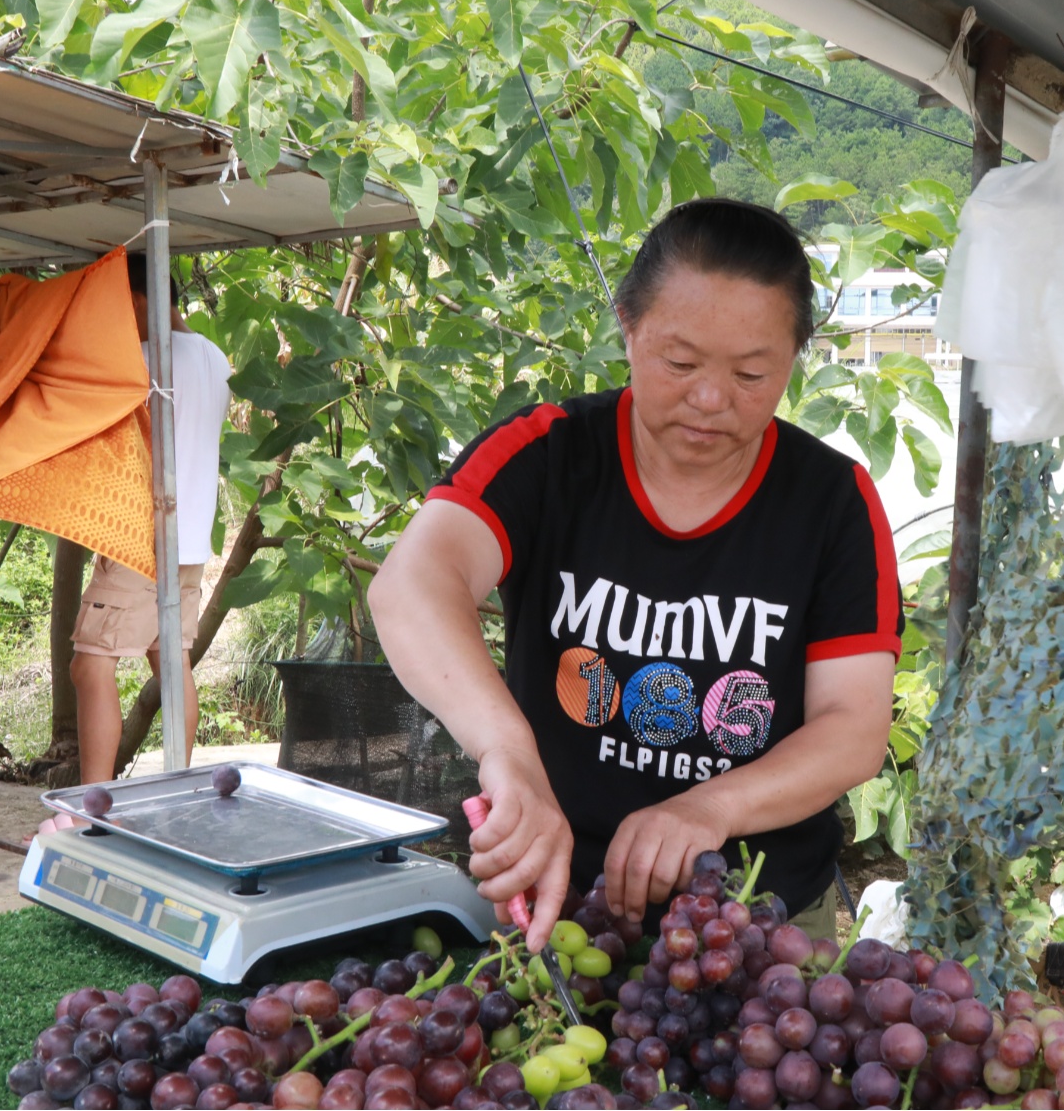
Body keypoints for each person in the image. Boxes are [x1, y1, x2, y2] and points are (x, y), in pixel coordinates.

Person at [370, 199, 901, 950]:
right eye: (679, 363)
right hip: (554, 904)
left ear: (793, 358)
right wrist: (507, 753)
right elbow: (411, 586)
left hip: (756, 921)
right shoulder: (549, 455)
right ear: (627, 325)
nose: (711, 400)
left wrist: (708, 809)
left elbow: (853, 729)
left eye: (753, 373)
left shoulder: (834, 503)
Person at [68, 254, 233, 784]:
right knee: (172, 663)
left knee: (91, 663)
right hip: (189, 543)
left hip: (140, 535)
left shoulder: (142, 359)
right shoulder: (215, 358)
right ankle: (178, 789)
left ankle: (91, 811)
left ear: (142, 298)